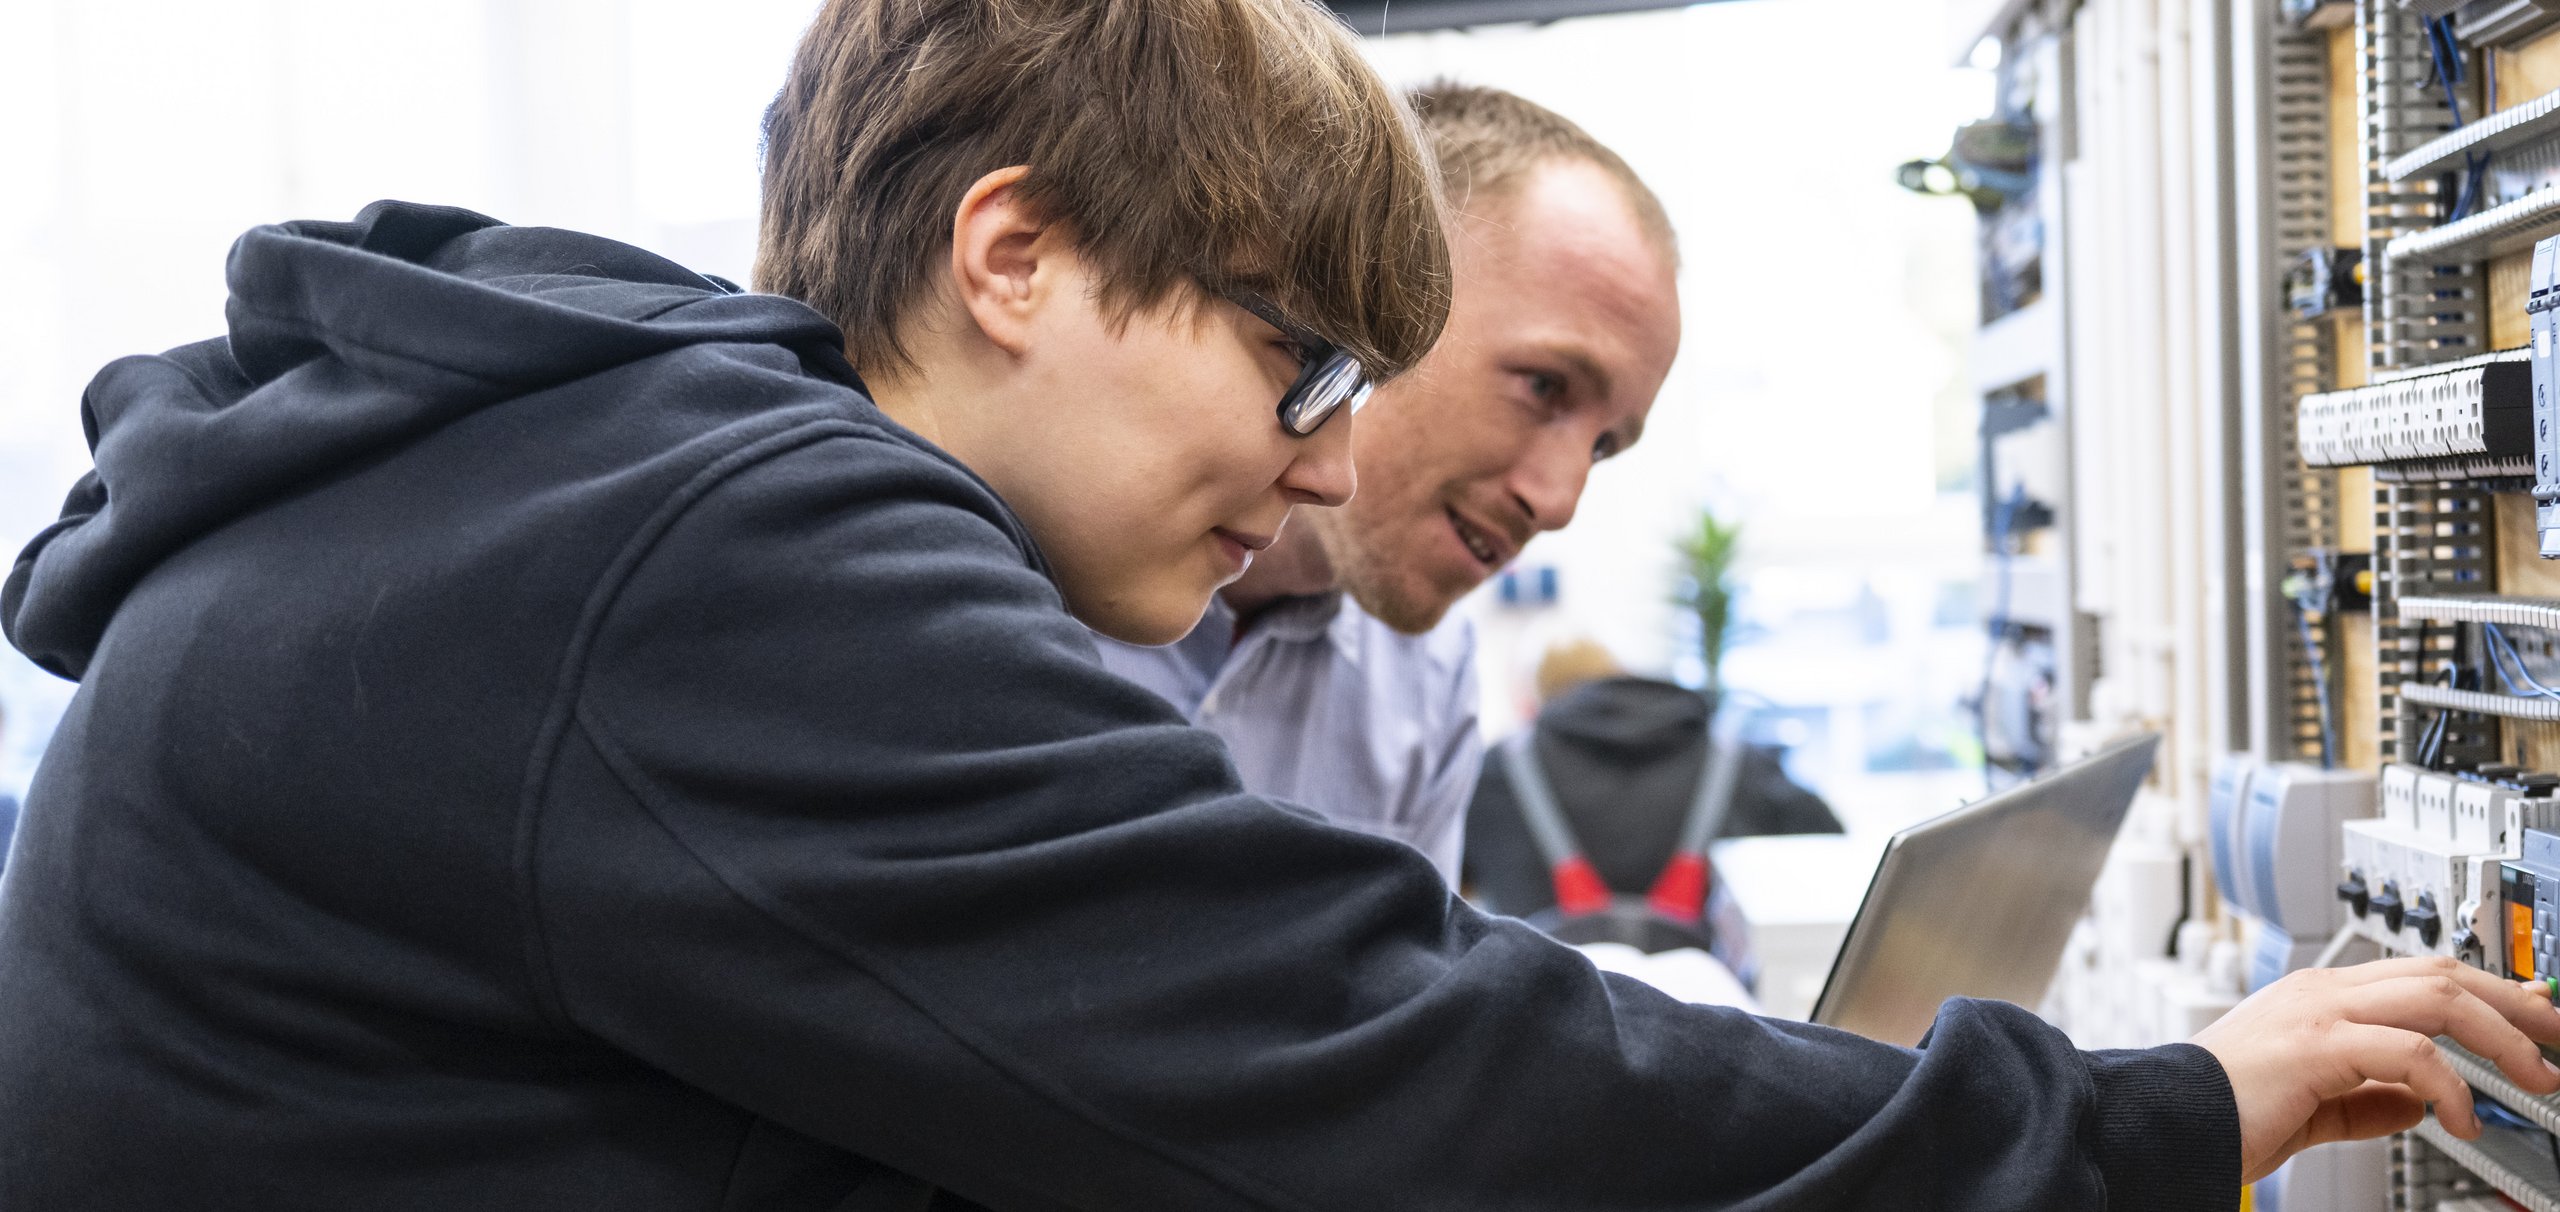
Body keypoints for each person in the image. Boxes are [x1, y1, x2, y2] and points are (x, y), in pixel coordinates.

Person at [0, 2, 2552, 1208]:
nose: (1329, 458)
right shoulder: (717, 548)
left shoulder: (592, 483)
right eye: (1289, 359)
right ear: (1014, 257)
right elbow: (1364, 1061)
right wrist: (2132, 1123)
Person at [1094, 82, 1678, 883]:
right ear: (1378, 290)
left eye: (1604, 446)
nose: (1558, 502)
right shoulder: (1014, 558)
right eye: (1544, 386)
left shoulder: (1427, 680)